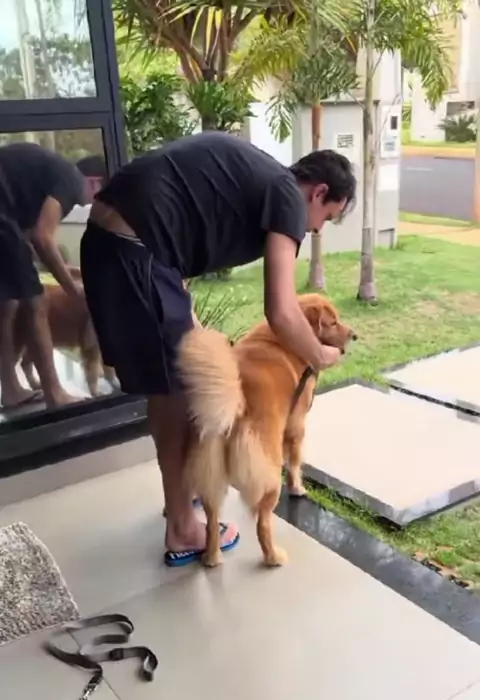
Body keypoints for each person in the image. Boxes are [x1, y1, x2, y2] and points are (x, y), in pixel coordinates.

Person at [80, 132, 356, 564]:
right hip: (133, 249)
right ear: (318, 192)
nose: (316, 228)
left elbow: (184, 221)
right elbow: (282, 311)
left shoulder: (261, 178)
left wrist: (185, 310)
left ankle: (182, 496)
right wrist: (320, 356)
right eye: (326, 216)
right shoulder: (287, 194)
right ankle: (182, 527)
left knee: (180, 375)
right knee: (178, 389)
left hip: (116, 244)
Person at [0, 142, 99, 409]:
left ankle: (10, 390)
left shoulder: (47, 179)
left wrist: (73, 272)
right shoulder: (72, 181)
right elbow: (43, 238)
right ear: (95, 182)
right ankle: (55, 394)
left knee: (8, 303)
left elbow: (29, 246)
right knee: (36, 302)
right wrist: (72, 289)